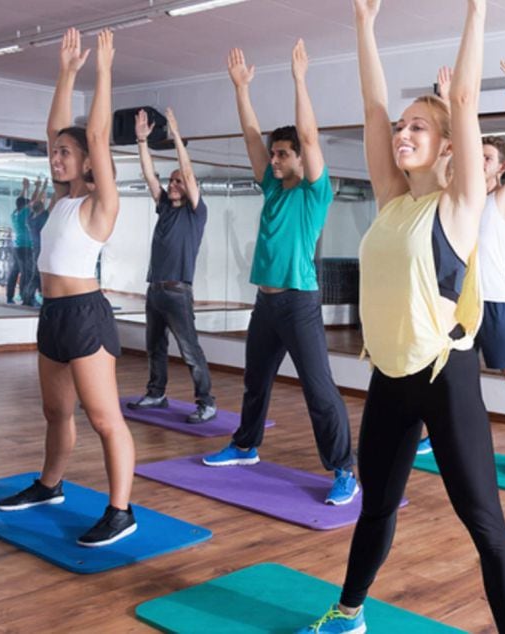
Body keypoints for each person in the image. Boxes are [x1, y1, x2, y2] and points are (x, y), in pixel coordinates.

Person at [301, 1, 505, 632]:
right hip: (391, 378)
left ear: (448, 144)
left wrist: (476, 14)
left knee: (483, 521)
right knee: (376, 507)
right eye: (403, 127)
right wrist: (364, 28)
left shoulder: (458, 205)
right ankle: (349, 613)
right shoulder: (393, 201)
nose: (401, 134)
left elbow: (468, 102)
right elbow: (374, 111)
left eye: (417, 129)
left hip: (444, 377)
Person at [0, 28, 138, 548]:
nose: (55, 157)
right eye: (53, 153)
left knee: (104, 418)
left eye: (64, 153)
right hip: (52, 314)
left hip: (85, 315)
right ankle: (49, 485)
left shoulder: (100, 207)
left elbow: (95, 137)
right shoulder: (59, 201)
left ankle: (121, 511)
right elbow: (59, 126)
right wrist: (66, 72)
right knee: (56, 412)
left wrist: (102, 71)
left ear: (87, 163)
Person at [202, 40, 357, 506]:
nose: (275, 159)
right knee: (255, 380)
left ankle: (344, 469)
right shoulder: (271, 184)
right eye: (275, 154)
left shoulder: (315, 192)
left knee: (318, 391)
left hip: (299, 302)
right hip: (266, 303)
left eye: (283, 154)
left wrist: (299, 80)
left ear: (299, 158)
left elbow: (310, 138)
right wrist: (241, 90)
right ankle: (245, 446)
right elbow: (252, 136)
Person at [416, 61, 505, 479]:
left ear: (500, 167)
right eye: (480, 155)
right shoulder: (458, 196)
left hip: (495, 303)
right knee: (436, 371)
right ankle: (430, 435)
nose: (481, 160)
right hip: (455, 302)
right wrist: (450, 100)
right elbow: (451, 145)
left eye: (487, 157)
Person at [126, 107, 216, 424]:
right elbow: (150, 175)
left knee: (190, 351)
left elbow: (188, 174)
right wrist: (141, 142)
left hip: (178, 291)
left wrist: (177, 136)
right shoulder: (164, 207)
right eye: (172, 180)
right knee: (155, 347)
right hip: (155, 290)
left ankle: (206, 402)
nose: (174, 183)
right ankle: (156, 393)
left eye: (179, 181)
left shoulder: (195, 213)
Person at [7, 178, 37, 305]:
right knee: (26, 273)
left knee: (15, 272)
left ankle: (10, 296)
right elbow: (34, 201)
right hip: (25, 247)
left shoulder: (14, 214)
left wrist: (25, 188)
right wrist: (38, 187)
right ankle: (25, 297)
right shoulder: (22, 213)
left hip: (17, 247)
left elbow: (19, 201)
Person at [24, 177, 51, 304]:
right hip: (40, 249)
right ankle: (28, 297)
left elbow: (36, 202)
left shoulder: (30, 218)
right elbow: (52, 203)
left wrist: (43, 187)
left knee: (38, 273)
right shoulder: (42, 217)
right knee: (36, 275)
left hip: (36, 248)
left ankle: (34, 295)